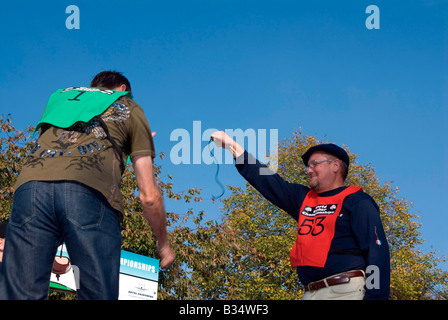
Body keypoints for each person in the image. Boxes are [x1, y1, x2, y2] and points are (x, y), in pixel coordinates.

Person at [0, 71, 175, 300]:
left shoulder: (59, 97)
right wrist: (163, 243)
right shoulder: (128, 105)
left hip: (30, 189)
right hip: (89, 195)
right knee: (97, 293)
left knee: (20, 293)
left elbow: (71, 144)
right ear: (122, 88)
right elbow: (149, 195)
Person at [211, 131, 390, 300]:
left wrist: (376, 297)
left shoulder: (357, 201)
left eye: (315, 164)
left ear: (335, 165)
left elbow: (376, 252)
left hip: (346, 291)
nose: (309, 170)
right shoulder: (303, 198)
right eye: (308, 166)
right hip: (310, 293)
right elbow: (269, 181)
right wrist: (233, 147)